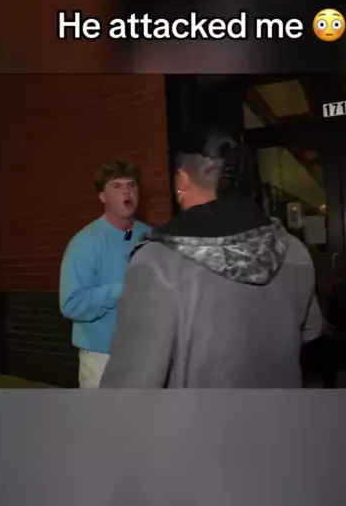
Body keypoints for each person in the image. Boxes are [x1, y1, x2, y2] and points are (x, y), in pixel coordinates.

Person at [101, 131, 322, 388]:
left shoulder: (158, 261)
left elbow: (130, 385)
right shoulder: (294, 250)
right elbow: (310, 330)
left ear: (182, 179)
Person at [60, 160, 151, 388]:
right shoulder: (85, 243)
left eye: (131, 185)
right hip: (102, 358)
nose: (127, 192)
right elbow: (71, 304)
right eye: (117, 186)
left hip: (145, 352)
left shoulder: (150, 236)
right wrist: (121, 290)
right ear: (102, 196)